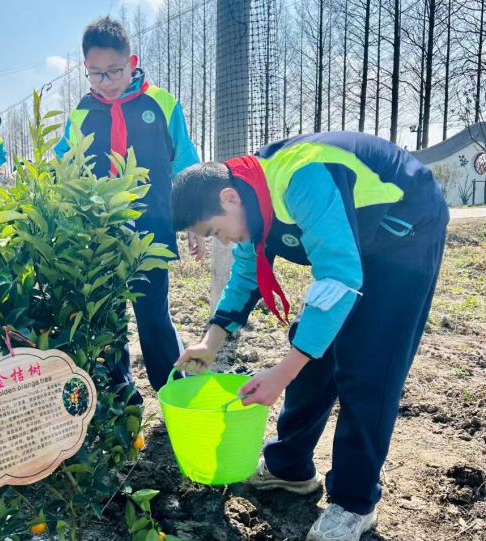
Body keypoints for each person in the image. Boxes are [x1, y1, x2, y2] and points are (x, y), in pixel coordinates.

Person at [171, 132, 449, 541]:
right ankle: (290, 466)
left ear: (229, 198)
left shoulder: (301, 177)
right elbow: (247, 272)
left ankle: (354, 504)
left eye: (216, 231)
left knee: (368, 367)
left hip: (402, 231)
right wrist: (210, 342)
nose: (224, 242)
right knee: (311, 351)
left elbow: (338, 274)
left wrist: (282, 373)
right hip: (350, 243)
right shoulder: (252, 197)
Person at [54, 17, 203, 403]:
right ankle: (122, 392)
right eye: (95, 74)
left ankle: (175, 393)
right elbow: (61, 169)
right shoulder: (81, 113)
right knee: (109, 317)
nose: (105, 81)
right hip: (99, 236)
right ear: (85, 69)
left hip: (150, 231)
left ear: (132, 61)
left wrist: (193, 221)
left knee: (153, 316)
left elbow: (186, 165)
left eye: (114, 71)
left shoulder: (162, 103)